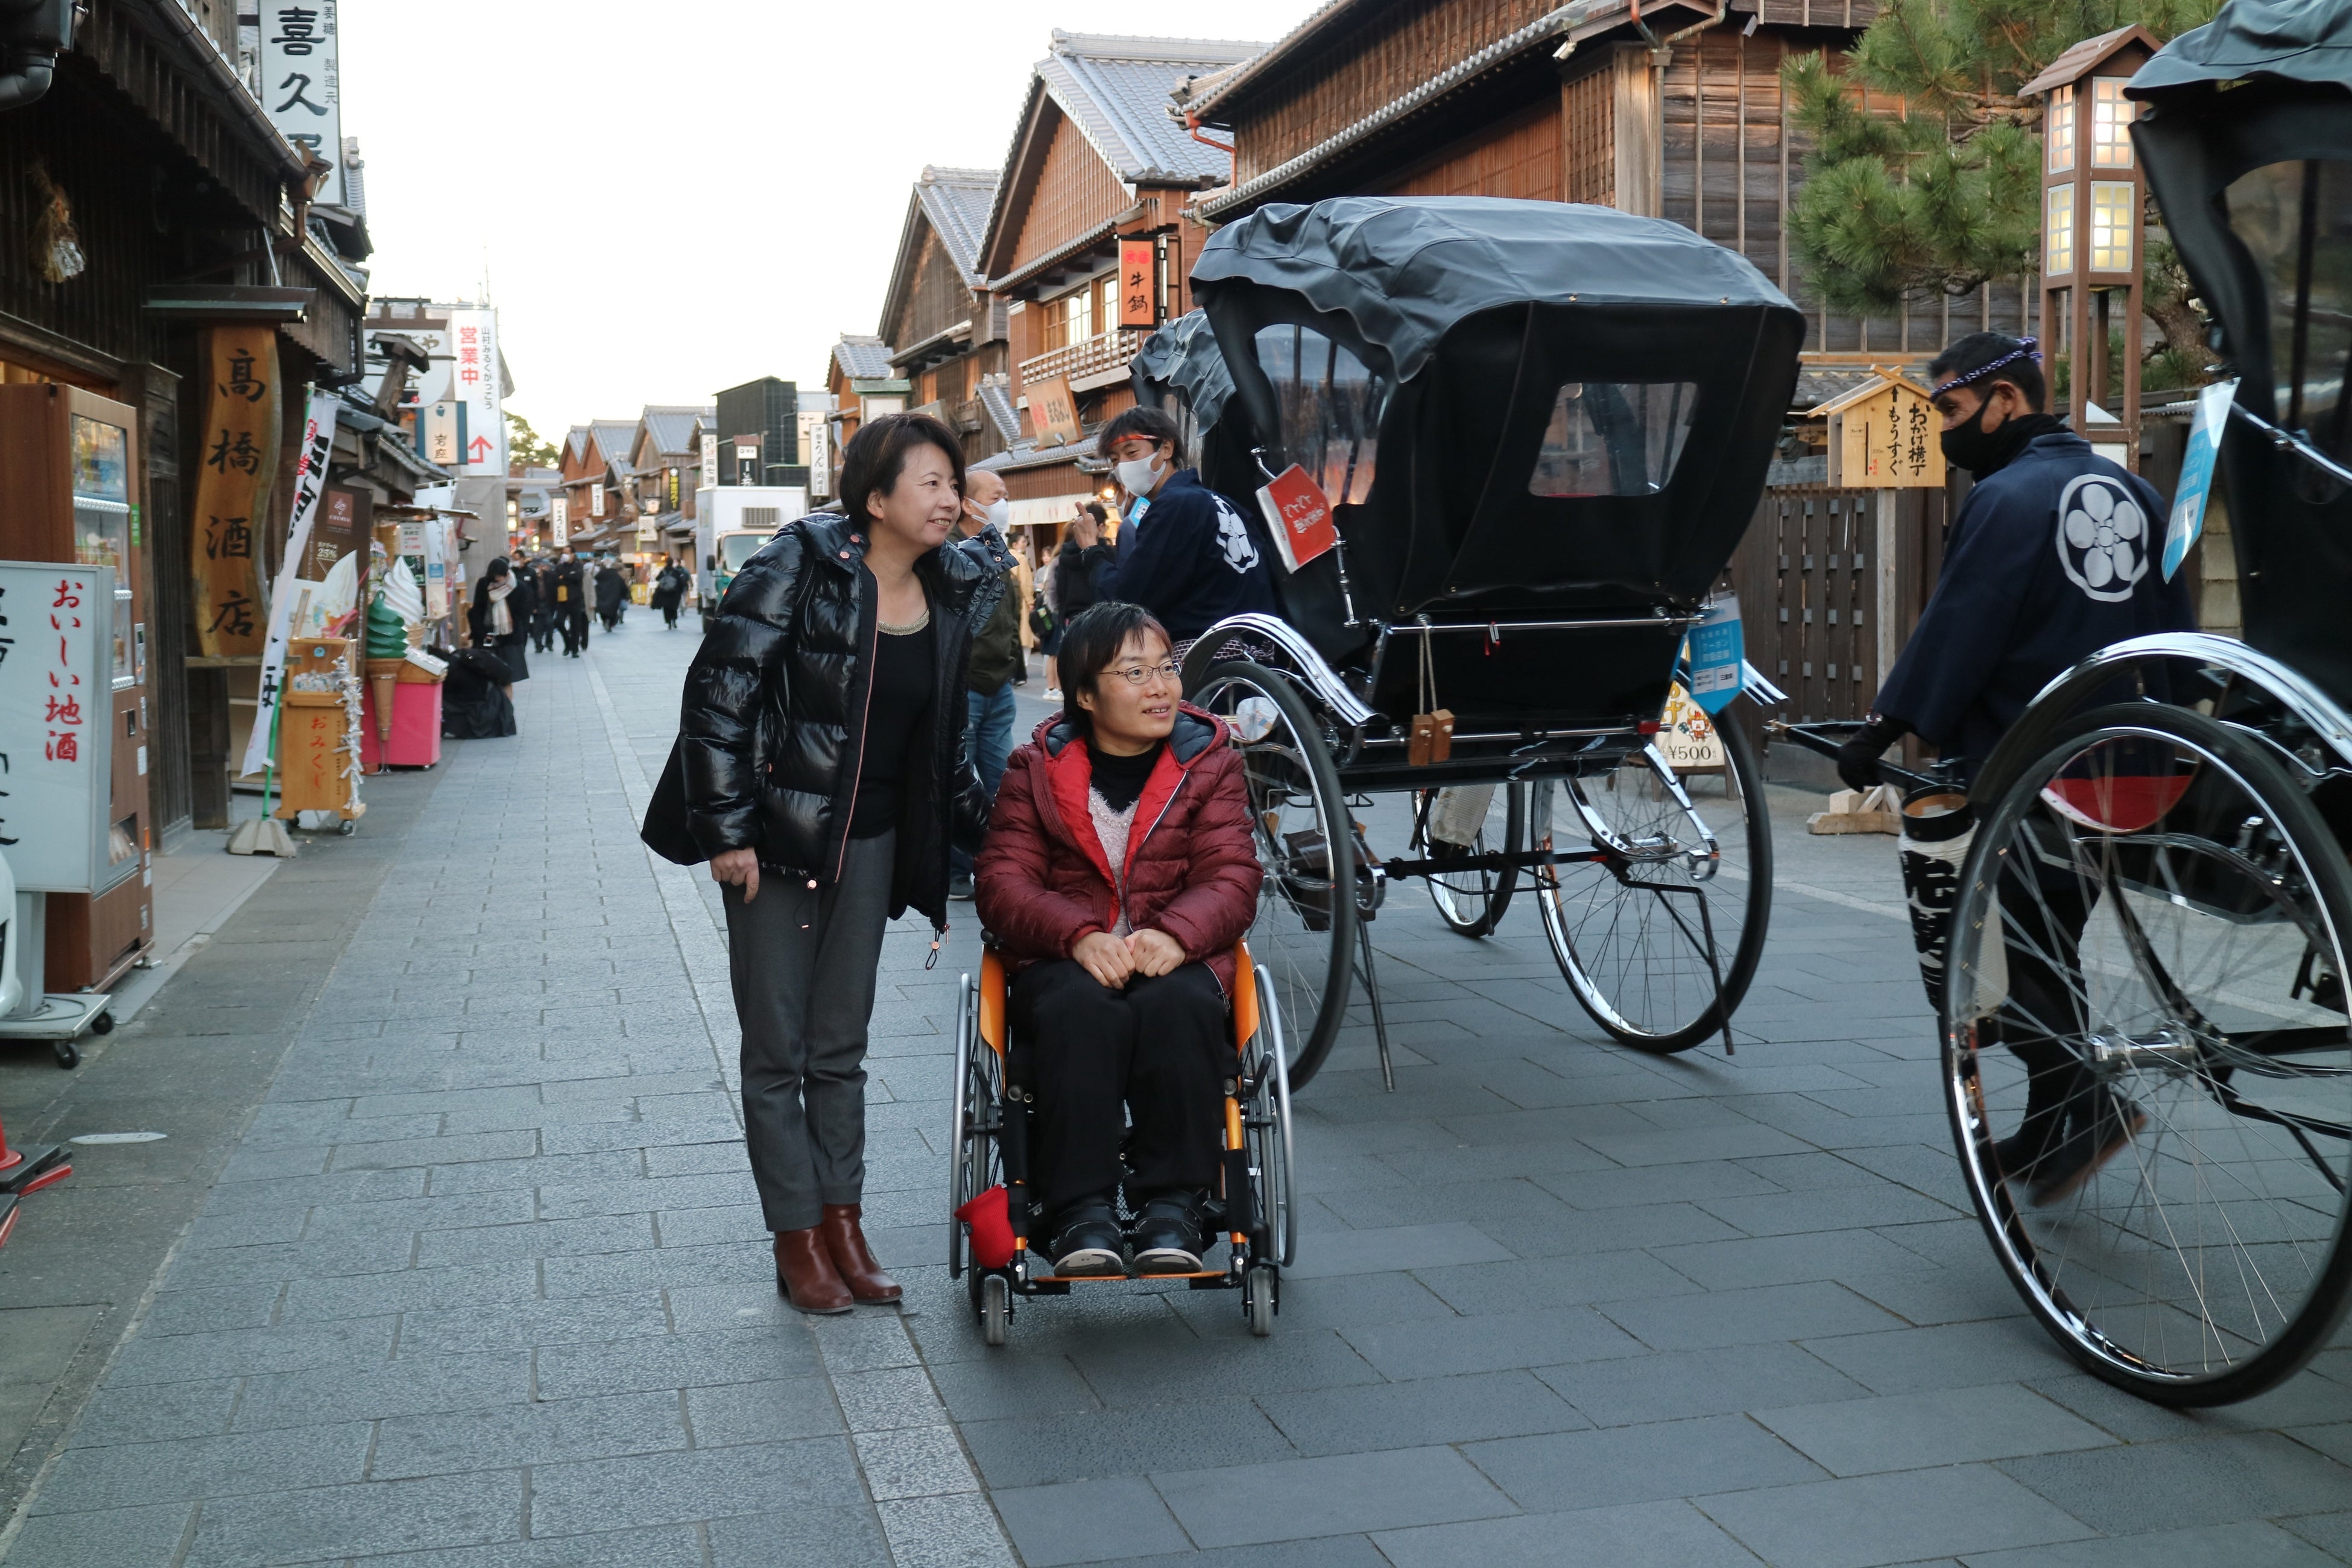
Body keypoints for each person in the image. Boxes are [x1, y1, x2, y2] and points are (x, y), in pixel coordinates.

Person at [642, 412, 1013, 1314]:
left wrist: (1010, 831)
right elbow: (719, 697)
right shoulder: (799, 563)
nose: (946, 497)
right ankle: (797, 1238)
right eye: (926, 481)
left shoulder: (957, 582)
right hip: (778, 841)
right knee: (779, 1052)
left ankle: (844, 1221)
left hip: (876, 844)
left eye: (950, 480)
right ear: (874, 497)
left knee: (841, 1050)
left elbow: (943, 746)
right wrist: (726, 831)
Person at [1837, 331, 2195, 1208]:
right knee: (2051, 934)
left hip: (2037, 762)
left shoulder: (2008, 496)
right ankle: (2052, 1124)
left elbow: (1965, 625)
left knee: (2002, 939)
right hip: (2135, 757)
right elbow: (2173, 620)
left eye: (1955, 411)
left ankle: (2088, 1098)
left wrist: (1885, 730)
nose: (1952, 432)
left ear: (2006, 402)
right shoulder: (2136, 490)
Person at [975, 601, 1263, 1277]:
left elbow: (1233, 872)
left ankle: (1174, 1203)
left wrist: (1177, 932)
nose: (1160, 686)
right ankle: (1081, 1208)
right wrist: (1076, 934)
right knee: (1079, 1009)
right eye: (1134, 672)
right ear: (1083, 693)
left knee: (1181, 1006)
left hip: (1175, 952)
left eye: (1167, 668)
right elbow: (1003, 881)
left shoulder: (1210, 759)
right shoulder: (1035, 768)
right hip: (1065, 957)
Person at [1094, 406, 1277, 657]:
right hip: (1257, 649)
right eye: (1115, 460)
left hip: (1207, 654)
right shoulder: (1222, 503)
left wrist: (1091, 552)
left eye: (1132, 452)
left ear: (1166, 449)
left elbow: (1128, 599)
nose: (1123, 466)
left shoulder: (1174, 505)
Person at [951, 467, 1021, 900]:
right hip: (966, 684)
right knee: (961, 780)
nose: (1003, 503)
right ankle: (958, 869)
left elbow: (1008, 614)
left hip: (1000, 683)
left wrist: (1014, 659)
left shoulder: (997, 549)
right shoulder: (951, 552)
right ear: (968, 503)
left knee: (1003, 778)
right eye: (996, 496)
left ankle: (1000, 864)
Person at [1045, 505, 1113, 699]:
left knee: (1077, 670)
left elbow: (1060, 589)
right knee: (1100, 670)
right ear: (1098, 527)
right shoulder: (1104, 554)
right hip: (1102, 618)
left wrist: (1063, 615)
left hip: (1072, 619)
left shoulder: (1065, 554)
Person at [466, 555, 532, 697]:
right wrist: (480, 633)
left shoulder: (519, 588)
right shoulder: (484, 584)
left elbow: (521, 616)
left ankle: (507, 710)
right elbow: (477, 610)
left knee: (507, 678)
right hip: (487, 636)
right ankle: (490, 708)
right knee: (485, 677)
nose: (497, 580)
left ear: (506, 573)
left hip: (510, 639)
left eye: (500, 577)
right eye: (495, 577)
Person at [552, 550, 590, 657]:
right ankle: (567, 642)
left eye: (568, 553)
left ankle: (574, 650)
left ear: (573, 554)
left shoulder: (578, 566)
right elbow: (556, 579)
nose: (565, 555)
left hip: (576, 600)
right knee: (558, 622)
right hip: (562, 600)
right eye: (564, 553)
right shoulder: (559, 567)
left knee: (575, 626)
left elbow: (578, 578)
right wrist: (568, 577)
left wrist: (564, 577)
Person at [525, 557, 557, 654]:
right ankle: (539, 646)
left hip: (548, 604)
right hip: (537, 604)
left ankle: (549, 643)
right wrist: (532, 607)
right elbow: (529, 592)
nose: (537, 568)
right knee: (537, 627)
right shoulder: (531, 577)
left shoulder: (550, 575)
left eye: (538, 566)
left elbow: (554, 590)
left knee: (550, 624)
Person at [595, 556, 627, 633]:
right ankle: (609, 622)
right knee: (613, 612)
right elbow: (622, 585)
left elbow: (595, 582)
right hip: (614, 596)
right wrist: (624, 594)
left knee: (602, 611)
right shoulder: (615, 574)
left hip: (602, 596)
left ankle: (605, 621)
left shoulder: (600, 574)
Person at [652, 560, 688, 629]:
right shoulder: (676, 572)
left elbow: (657, 579)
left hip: (664, 593)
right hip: (674, 594)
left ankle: (669, 624)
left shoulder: (663, 572)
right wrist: (680, 592)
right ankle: (674, 621)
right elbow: (680, 583)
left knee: (666, 609)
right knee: (673, 608)